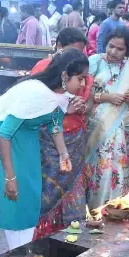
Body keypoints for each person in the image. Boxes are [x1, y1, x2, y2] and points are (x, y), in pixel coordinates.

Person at [0, 49, 87, 250]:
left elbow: (54, 125)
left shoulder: (59, 95)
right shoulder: (35, 94)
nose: (83, 85)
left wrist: (63, 153)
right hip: (6, 142)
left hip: (27, 140)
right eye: (80, 79)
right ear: (65, 76)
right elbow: (5, 134)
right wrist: (9, 177)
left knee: (30, 194)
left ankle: (25, 249)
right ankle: (16, 253)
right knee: (14, 196)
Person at [30, 34, 92, 240]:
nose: (75, 55)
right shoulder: (43, 70)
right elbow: (36, 113)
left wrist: (82, 107)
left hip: (74, 139)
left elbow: (87, 100)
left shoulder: (82, 72)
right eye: (69, 50)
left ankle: (71, 240)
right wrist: (66, 110)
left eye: (80, 50)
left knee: (72, 186)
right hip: (46, 144)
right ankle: (43, 239)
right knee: (48, 191)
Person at [84, 27, 129, 209]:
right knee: (95, 167)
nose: (113, 52)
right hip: (95, 127)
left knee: (116, 168)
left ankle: (114, 207)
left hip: (120, 128)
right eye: (111, 46)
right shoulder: (94, 62)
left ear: (127, 51)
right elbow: (83, 93)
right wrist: (106, 97)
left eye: (120, 49)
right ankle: (91, 209)